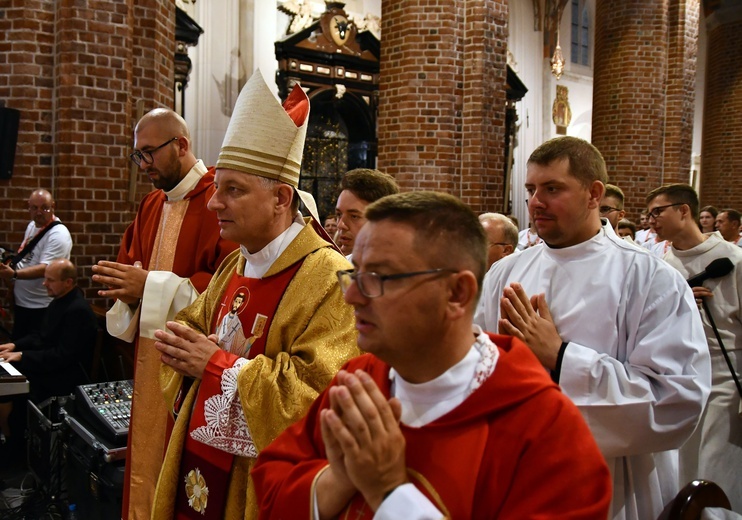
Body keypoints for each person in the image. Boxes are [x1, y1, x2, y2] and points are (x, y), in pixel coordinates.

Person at [252, 191, 612, 519]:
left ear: (456, 293)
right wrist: (339, 478)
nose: (351, 297)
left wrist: (389, 492)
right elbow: (272, 482)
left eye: (379, 276)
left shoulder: (544, 430)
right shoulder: (360, 381)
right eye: (354, 274)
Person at [148, 70, 358, 520]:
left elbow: (321, 394)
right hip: (201, 461)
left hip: (261, 484)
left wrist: (217, 365)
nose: (213, 202)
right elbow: (193, 326)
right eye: (217, 187)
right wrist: (181, 344)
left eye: (233, 190)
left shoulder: (333, 279)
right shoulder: (235, 263)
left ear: (282, 197)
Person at [474, 136, 711, 520]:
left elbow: (676, 400)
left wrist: (562, 357)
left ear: (593, 193)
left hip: (613, 480)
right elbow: (475, 367)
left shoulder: (649, 278)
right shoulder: (506, 271)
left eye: (553, 188)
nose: (536, 201)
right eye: (532, 189)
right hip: (515, 469)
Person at [90, 108, 238, 519]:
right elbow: (133, 264)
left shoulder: (219, 199)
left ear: (182, 145)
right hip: (146, 363)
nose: (143, 165)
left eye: (149, 153)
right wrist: (128, 289)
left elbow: (225, 287)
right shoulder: (152, 204)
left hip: (190, 371)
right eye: (137, 155)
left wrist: (148, 287)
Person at [647, 184, 742, 511]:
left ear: (684, 211)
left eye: (657, 212)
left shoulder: (732, 259)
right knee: (682, 476)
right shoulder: (661, 264)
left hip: (724, 382)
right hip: (680, 382)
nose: (651, 221)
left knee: (718, 475)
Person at [0, 259, 97, 460]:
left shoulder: (76, 310)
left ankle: (15, 448)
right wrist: (16, 345)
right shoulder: (59, 301)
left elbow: (63, 356)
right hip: (50, 365)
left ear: (68, 282)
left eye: (50, 280)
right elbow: (41, 336)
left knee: (10, 391)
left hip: (64, 377)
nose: (45, 284)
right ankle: (13, 442)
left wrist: (23, 356)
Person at [0, 189, 72, 340]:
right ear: (29, 207)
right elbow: (26, 259)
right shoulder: (33, 226)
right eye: (34, 208)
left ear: (53, 206)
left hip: (40, 306)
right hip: (23, 303)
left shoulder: (58, 234)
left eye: (44, 207)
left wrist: (14, 274)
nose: (39, 212)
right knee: (17, 348)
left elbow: (46, 269)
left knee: (33, 352)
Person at [335, 168, 399, 257]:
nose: (340, 225)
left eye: (354, 216)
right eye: (339, 214)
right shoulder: (337, 267)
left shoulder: (402, 268)